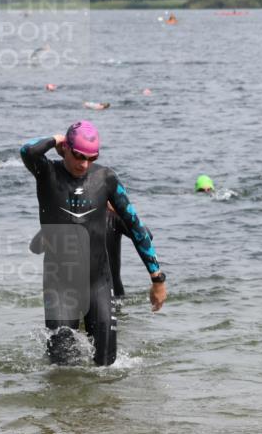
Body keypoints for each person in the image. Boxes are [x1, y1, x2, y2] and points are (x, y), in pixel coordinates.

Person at [21, 120, 166, 366]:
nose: (84, 164)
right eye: (79, 155)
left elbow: (136, 226)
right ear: (66, 148)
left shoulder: (106, 179)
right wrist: (56, 139)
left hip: (98, 283)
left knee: (107, 368)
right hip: (59, 286)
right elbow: (27, 150)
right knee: (61, 369)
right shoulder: (47, 172)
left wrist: (157, 278)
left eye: (91, 157)